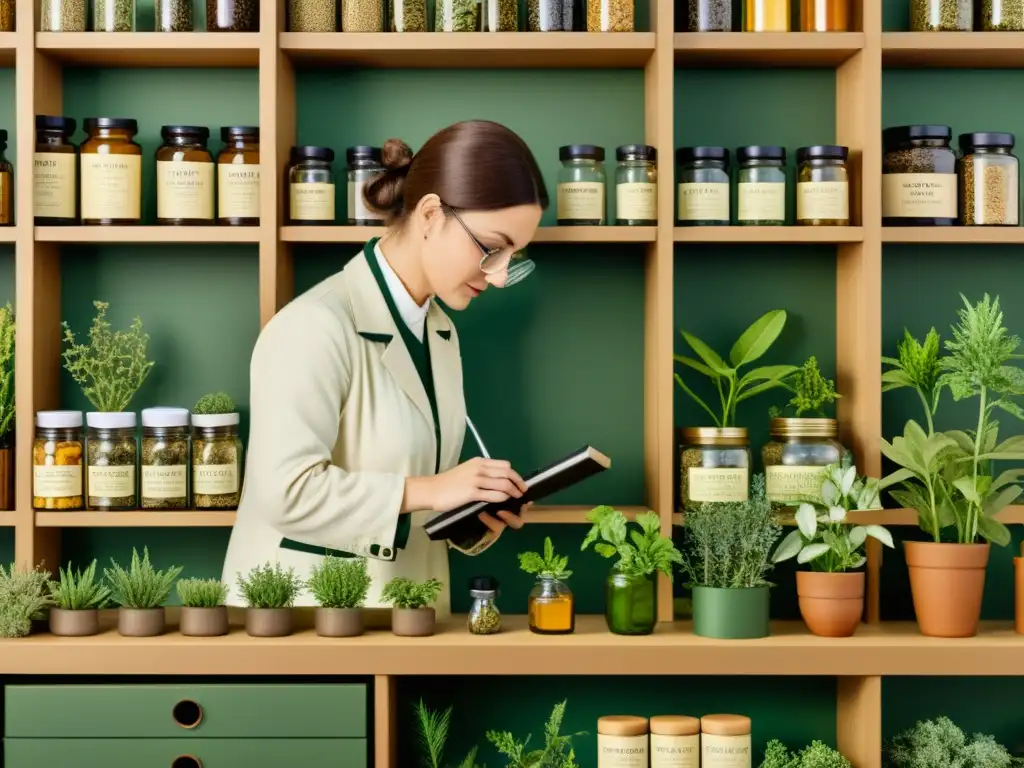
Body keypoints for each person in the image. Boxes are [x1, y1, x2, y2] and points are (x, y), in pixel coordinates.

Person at [221, 120, 549, 619]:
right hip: (307, 622)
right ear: (432, 214)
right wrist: (434, 489)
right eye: (491, 249)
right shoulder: (315, 325)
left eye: (513, 257)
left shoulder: (439, 330)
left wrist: (472, 510)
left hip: (408, 616)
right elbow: (283, 493)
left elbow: (414, 495)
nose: (501, 276)